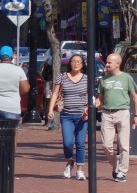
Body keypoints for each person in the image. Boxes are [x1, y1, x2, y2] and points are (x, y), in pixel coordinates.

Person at [94, 52, 137, 183]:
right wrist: (94, 105)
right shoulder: (104, 80)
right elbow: (99, 99)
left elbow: (135, 96)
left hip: (123, 112)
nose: (106, 65)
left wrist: (136, 115)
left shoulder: (126, 78)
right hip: (107, 113)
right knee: (106, 145)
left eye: (109, 62)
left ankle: (122, 172)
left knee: (124, 144)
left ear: (117, 64)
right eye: (107, 62)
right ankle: (116, 164)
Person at [47, 53, 90, 181]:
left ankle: (80, 170)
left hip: (82, 116)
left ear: (82, 65)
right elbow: (55, 94)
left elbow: (92, 96)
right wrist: (50, 110)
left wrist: (88, 110)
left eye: (78, 61)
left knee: (80, 143)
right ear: (69, 64)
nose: (75, 63)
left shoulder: (87, 78)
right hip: (67, 115)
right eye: (73, 61)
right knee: (68, 143)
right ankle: (70, 161)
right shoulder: (62, 77)